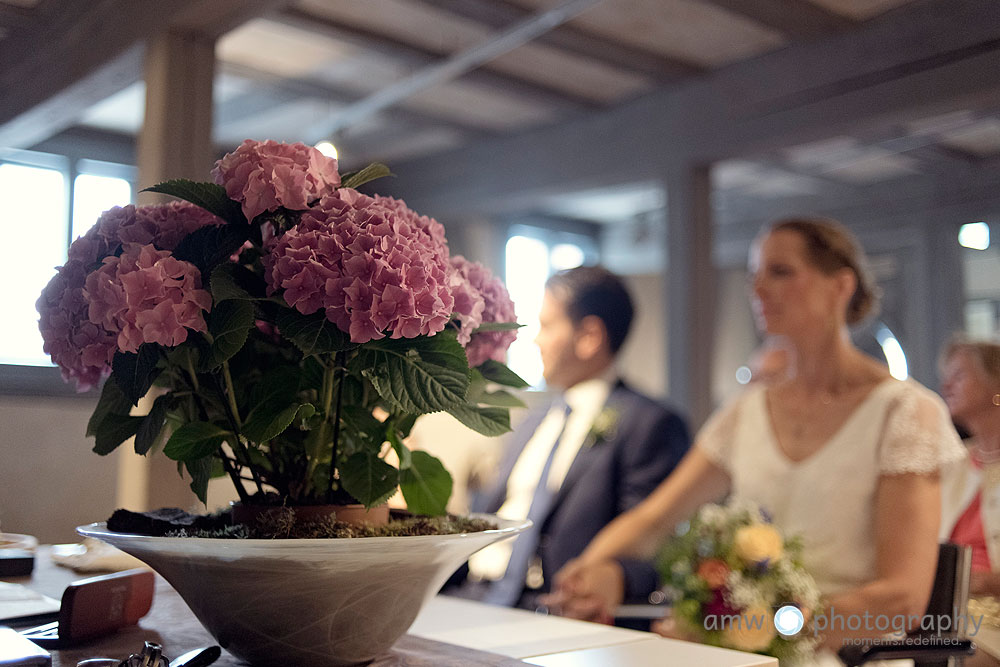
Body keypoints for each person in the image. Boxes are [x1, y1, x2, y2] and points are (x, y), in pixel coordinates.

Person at [545, 217, 965, 653]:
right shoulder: (746, 412)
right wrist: (590, 571)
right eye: (754, 276)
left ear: (840, 286)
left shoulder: (904, 413)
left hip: (846, 656)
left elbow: (901, 601)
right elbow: (653, 521)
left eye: (780, 272)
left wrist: (748, 632)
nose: (758, 289)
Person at [450, 265, 691, 612]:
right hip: (469, 595)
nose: (535, 340)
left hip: (549, 607)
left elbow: (654, 544)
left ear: (589, 336)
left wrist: (611, 577)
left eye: (547, 326)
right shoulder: (533, 421)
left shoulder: (648, 423)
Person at [939, 337, 1000, 593]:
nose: (946, 386)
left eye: (960, 375)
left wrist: (990, 582)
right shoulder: (952, 462)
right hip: (951, 611)